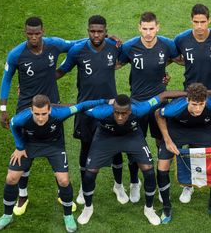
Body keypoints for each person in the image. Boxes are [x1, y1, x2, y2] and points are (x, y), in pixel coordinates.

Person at [0, 16, 81, 215]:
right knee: (24, 154)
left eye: (37, 33)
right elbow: (6, 79)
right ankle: (23, 195)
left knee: (56, 147)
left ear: (43, 31)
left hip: (52, 108)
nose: (33, 37)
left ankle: (63, 194)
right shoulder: (16, 54)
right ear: (25, 33)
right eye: (30, 34)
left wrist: (108, 39)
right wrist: (3, 109)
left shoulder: (54, 45)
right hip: (27, 108)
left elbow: (77, 44)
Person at [0, 95, 109, 232]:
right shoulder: (23, 117)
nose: (40, 118)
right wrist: (19, 147)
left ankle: (68, 215)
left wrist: (105, 101)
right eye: (36, 114)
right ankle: (7, 215)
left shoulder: (61, 113)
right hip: (30, 145)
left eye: (43, 113)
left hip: (54, 146)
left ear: (50, 110)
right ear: (31, 111)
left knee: (64, 181)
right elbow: (13, 124)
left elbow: (82, 106)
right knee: (11, 178)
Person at [76, 90, 185, 226]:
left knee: (149, 170)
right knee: (89, 173)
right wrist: (54, 109)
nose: (120, 117)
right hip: (106, 137)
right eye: (117, 113)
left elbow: (163, 95)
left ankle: (149, 209)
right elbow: (79, 107)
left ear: (130, 110)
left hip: (132, 136)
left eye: (124, 113)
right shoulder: (101, 111)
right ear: (113, 109)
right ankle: (88, 207)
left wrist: (189, 94)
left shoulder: (140, 108)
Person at [56, 15, 128, 205]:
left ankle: (118, 186)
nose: (96, 35)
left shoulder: (115, 47)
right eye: (92, 31)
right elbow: (61, 71)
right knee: (86, 147)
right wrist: (37, 81)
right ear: (88, 31)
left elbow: (128, 60)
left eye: (100, 31)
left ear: (106, 31)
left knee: (116, 147)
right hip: (86, 109)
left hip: (111, 108)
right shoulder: (77, 51)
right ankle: (83, 188)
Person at [173, 3, 211, 202]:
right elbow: (177, 58)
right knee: (192, 140)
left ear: (209, 21)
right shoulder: (181, 39)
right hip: (190, 98)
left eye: (203, 22)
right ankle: (189, 184)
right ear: (191, 20)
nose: (199, 26)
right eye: (196, 22)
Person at [118, 12, 179, 202]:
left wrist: (164, 73)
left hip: (160, 104)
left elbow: (176, 59)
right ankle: (135, 182)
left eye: (151, 28)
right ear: (139, 28)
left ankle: (162, 184)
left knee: (162, 142)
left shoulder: (167, 45)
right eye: (144, 28)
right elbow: (115, 64)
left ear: (158, 27)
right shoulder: (129, 47)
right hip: (137, 104)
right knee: (134, 142)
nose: (148, 33)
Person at [155, 83, 211, 224]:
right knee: (162, 166)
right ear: (188, 100)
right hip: (178, 129)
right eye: (194, 104)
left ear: (206, 101)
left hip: (202, 130)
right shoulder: (175, 108)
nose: (198, 108)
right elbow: (158, 114)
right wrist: (167, 140)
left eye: (201, 104)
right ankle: (166, 207)